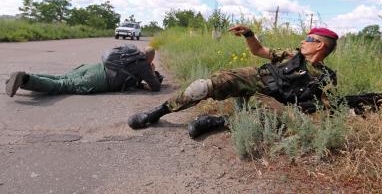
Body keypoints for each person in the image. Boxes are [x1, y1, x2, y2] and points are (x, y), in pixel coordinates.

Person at [127, 25, 339, 138]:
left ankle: (215, 122)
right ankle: (156, 113)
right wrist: (248, 34)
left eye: (309, 39)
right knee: (203, 86)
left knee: (284, 120)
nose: (303, 40)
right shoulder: (291, 54)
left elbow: (325, 110)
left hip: (271, 100)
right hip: (254, 79)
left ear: (320, 46)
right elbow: (258, 50)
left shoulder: (325, 78)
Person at [5, 46, 163, 97]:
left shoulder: (132, 54)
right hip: (99, 79)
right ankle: (25, 80)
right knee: (63, 85)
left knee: (61, 77)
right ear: (151, 58)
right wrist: (151, 70)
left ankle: (23, 78)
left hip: (94, 67)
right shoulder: (144, 65)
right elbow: (155, 87)